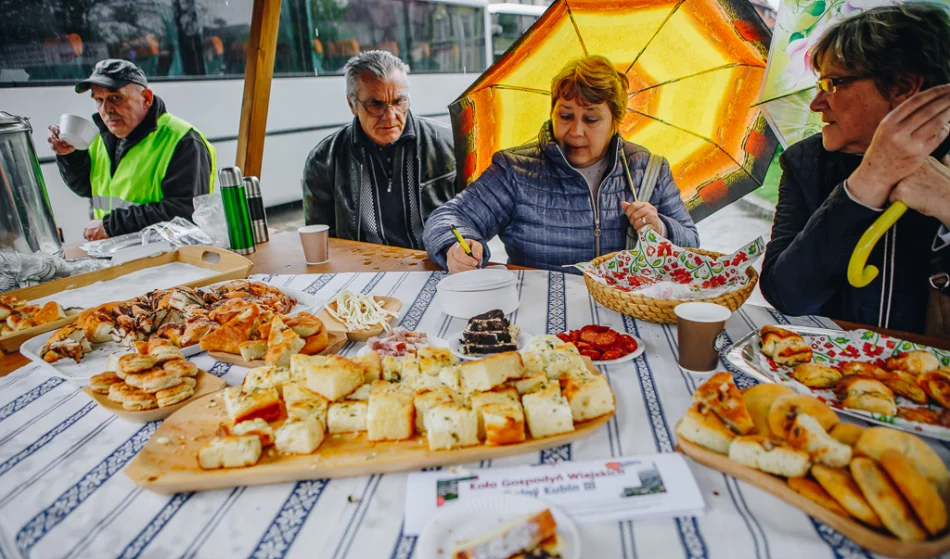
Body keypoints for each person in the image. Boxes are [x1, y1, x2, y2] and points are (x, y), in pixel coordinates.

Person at [760, 4, 950, 334]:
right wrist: (864, 185)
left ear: (903, 87)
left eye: (832, 84)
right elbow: (787, 295)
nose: (816, 103)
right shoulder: (806, 162)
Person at [423, 55, 698, 274]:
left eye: (591, 120)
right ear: (552, 111)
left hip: (625, 317)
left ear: (616, 120)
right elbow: (448, 218)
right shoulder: (515, 170)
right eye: (566, 115)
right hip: (538, 319)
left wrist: (660, 228)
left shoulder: (650, 170)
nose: (576, 131)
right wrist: (455, 247)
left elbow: (692, 245)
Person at [302, 50, 456, 250]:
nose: (390, 116)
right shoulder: (324, 159)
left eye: (399, 101)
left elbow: (473, 220)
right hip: (363, 270)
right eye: (375, 104)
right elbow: (321, 241)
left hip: (435, 265)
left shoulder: (448, 144)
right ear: (352, 104)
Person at [48, 59, 216, 241]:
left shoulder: (182, 140)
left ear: (146, 99)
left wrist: (112, 226)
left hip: (168, 259)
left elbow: (184, 212)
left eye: (115, 98)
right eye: (99, 100)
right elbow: (85, 188)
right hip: (116, 252)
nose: (106, 109)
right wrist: (70, 156)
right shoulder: (100, 137)